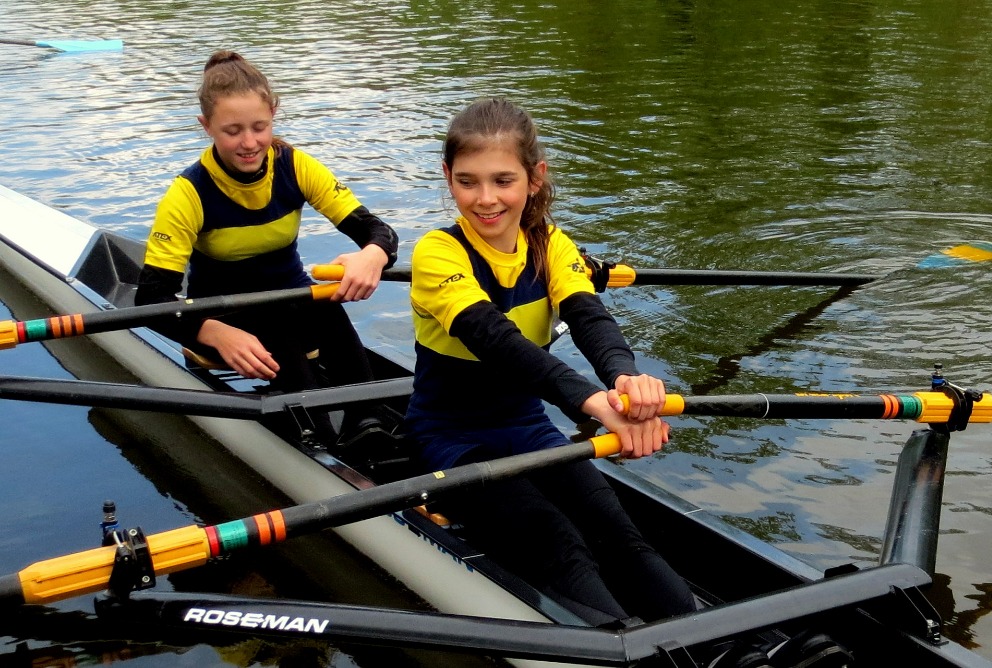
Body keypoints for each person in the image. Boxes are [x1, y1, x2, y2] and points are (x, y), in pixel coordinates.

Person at [404, 97, 697, 628]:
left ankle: (709, 641)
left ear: (534, 178)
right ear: (448, 178)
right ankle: (627, 648)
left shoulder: (551, 244)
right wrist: (593, 402)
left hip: (528, 429)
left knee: (622, 536)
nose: (485, 199)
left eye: (503, 180)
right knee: (559, 543)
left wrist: (626, 380)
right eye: (468, 181)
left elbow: (588, 316)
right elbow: (495, 340)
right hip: (451, 440)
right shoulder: (437, 253)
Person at [135, 50, 398, 445]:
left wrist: (371, 255)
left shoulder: (296, 166)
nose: (249, 143)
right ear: (206, 126)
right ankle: (319, 440)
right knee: (280, 328)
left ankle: (367, 419)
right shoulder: (187, 194)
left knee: (326, 304)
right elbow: (150, 300)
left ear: (274, 113)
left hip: (288, 300)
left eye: (260, 127)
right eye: (232, 131)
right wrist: (213, 332)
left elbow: (378, 231)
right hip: (223, 314)